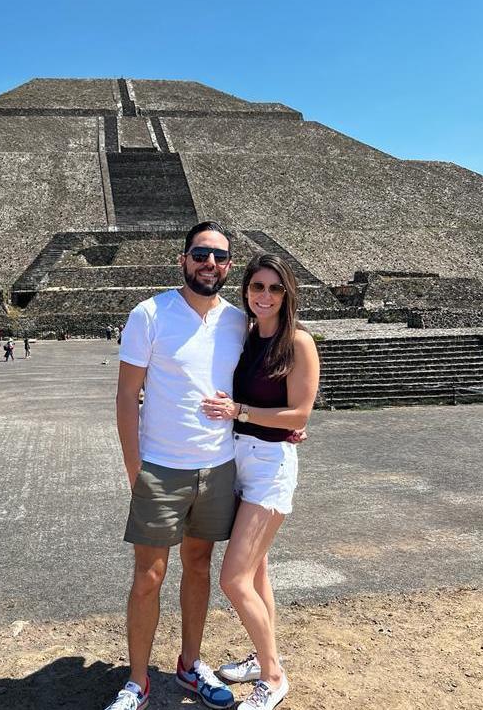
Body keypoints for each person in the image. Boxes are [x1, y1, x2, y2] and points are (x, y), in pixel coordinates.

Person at [106, 221, 246, 710]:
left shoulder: (237, 320)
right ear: (183, 259)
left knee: (199, 566)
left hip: (218, 464)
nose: (211, 264)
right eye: (201, 254)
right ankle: (137, 680)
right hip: (161, 467)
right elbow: (127, 395)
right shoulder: (149, 314)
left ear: (230, 266)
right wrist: (133, 467)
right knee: (148, 576)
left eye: (221, 257)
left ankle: (190, 663)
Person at [200, 254, 320, 710]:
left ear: (287, 293)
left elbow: (299, 414)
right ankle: (262, 654)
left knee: (233, 578)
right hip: (239, 460)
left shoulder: (299, 342)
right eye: (257, 288)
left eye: (273, 288)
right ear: (246, 291)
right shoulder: (247, 337)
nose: (264, 296)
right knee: (257, 570)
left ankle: (273, 675)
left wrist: (243, 414)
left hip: (270, 465)